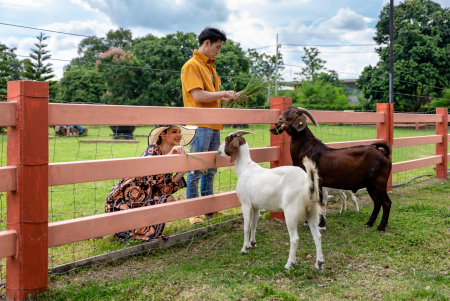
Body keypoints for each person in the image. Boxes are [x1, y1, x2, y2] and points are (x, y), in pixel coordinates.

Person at [181, 27, 240, 225]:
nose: (218, 51)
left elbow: (212, 99)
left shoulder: (210, 67)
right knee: (196, 169)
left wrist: (231, 96)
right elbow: (198, 96)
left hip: (214, 125)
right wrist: (223, 93)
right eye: (217, 46)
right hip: (199, 125)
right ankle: (192, 212)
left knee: (211, 169)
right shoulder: (191, 65)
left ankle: (208, 210)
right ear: (206, 43)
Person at [105, 125, 197, 242]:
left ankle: (147, 225)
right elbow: (149, 175)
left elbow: (162, 190)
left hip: (144, 199)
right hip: (126, 200)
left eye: (180, 132)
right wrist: (169, 157)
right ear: (163, 135)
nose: (179, 135)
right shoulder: (152, 150)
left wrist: (180, 174)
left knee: (169, 201)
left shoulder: (172, 155)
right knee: (132, 231)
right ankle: (133, 227)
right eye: (174, 132)